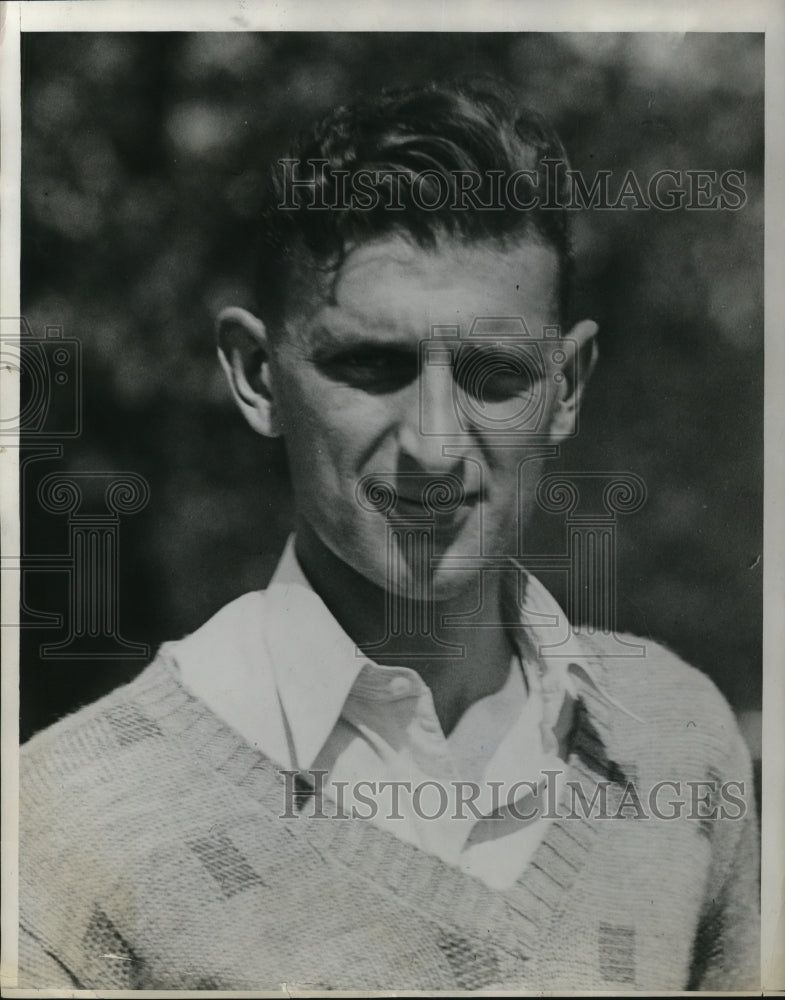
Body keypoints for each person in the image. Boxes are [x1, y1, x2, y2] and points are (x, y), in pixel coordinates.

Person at [18, 78, 759, 991]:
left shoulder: (678, 739)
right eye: (372, 365)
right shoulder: (59, 830)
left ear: (564, 388)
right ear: (257, 375)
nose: (435, 447)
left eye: (494, 372)